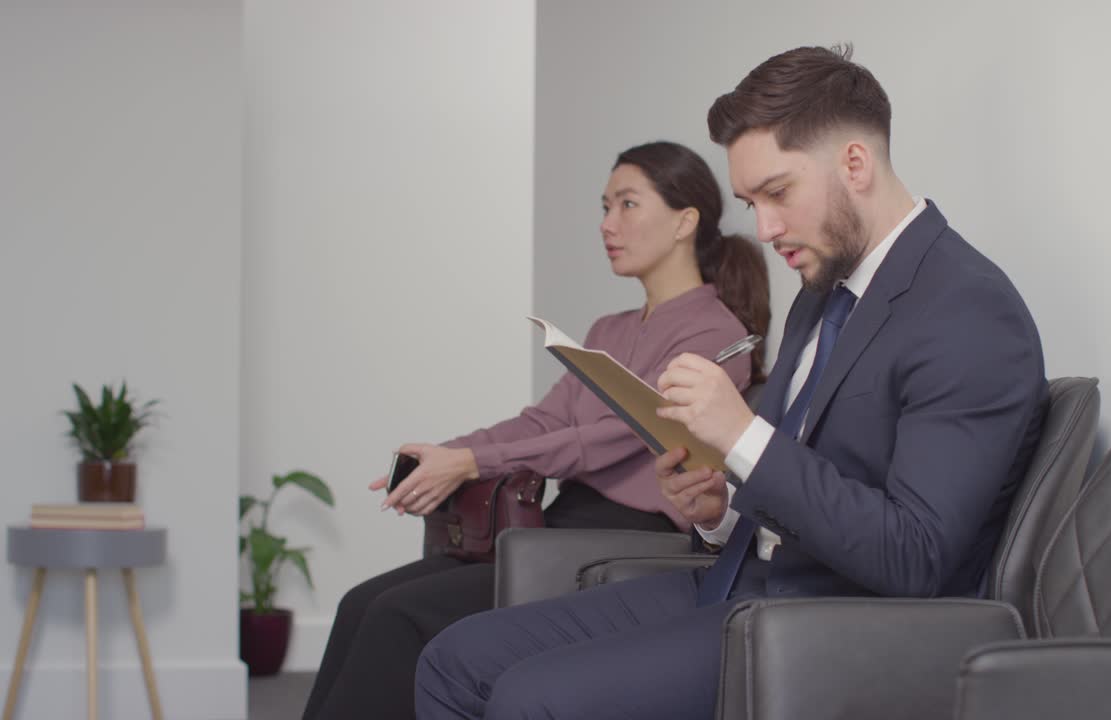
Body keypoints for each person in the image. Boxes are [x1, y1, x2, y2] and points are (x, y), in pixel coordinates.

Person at [413, 45, 1049, 720]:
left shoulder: (967, 310)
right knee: (454, 662)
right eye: (751, 201)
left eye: (777, 193)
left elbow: (914, 557)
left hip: (825, 624)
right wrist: (717, 510)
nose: (765, 228)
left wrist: (742, 436)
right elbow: (792, 481)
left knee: (527, 698)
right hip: (741, 580)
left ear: (854, 164)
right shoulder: (825, 289)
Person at [302, 141, 771, 720]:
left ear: (685, 220)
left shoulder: (713, 333)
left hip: (633, 541)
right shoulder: (609, 327)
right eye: (604, 207)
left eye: (626, 205)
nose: (607, 225)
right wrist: (448, 453)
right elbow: (545, 423)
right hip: (554, 528)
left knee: (399, 617)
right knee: (361, 603)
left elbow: (607, 437)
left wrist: (475, 464)